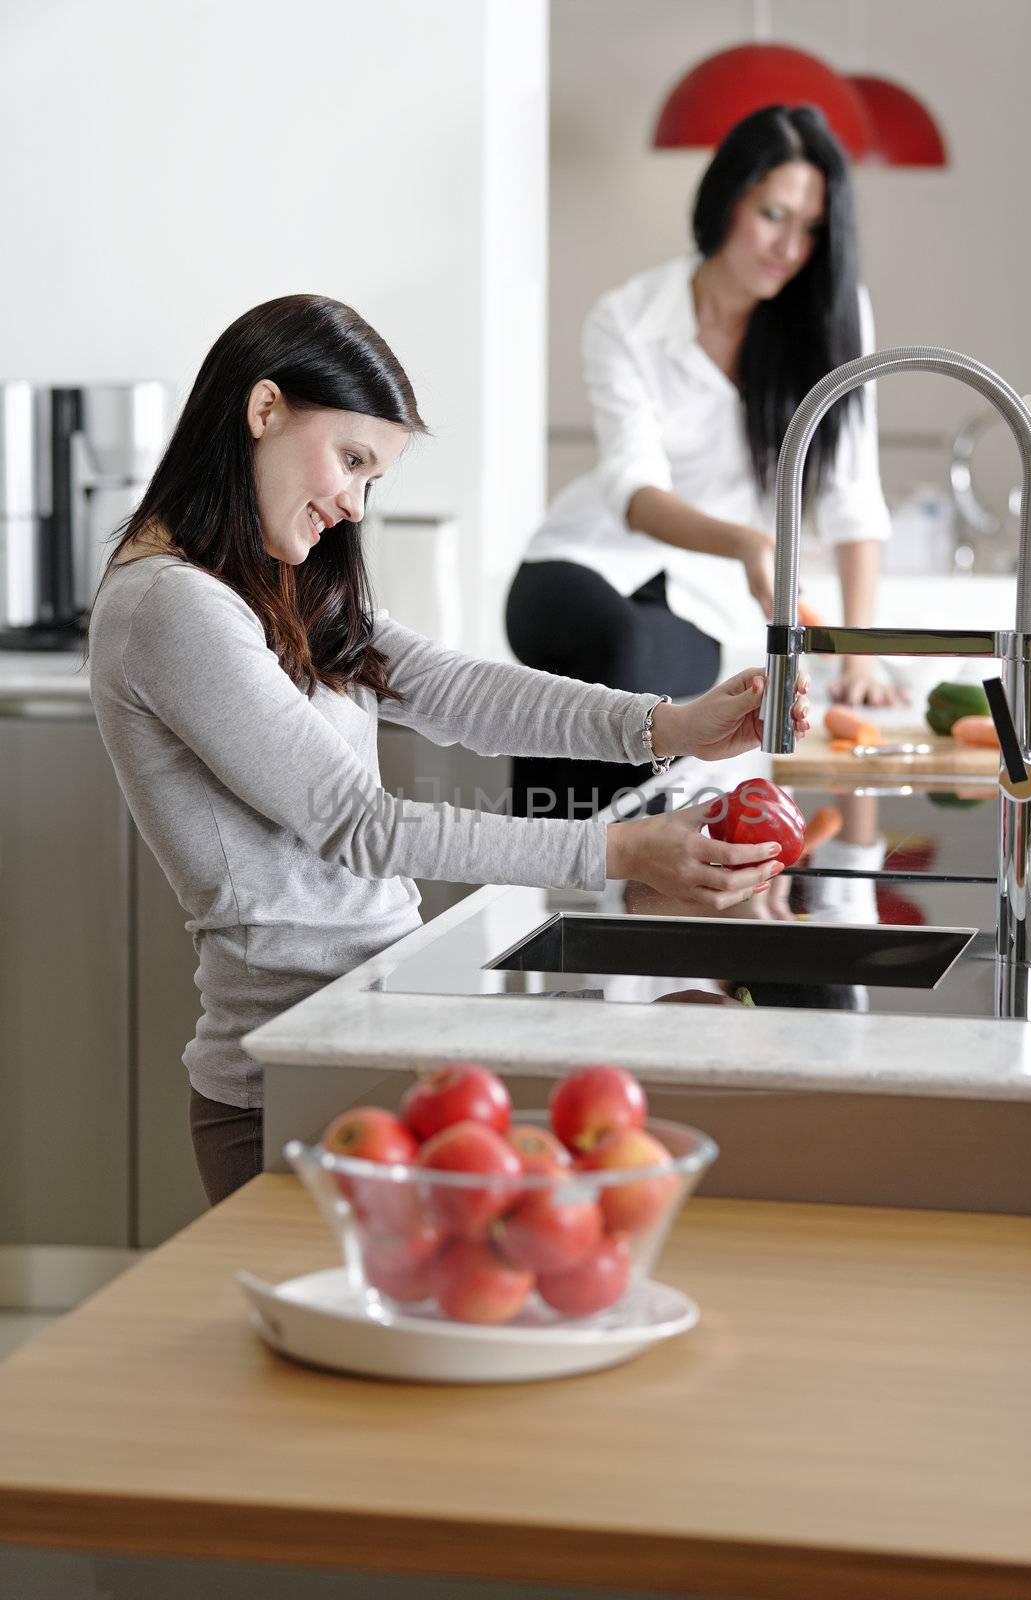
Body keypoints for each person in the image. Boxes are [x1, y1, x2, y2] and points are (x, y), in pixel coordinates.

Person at [86, 294, 811, 1205]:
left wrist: (666, 725)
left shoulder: (277, 582)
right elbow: (357, 824)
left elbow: (453, 688)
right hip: (290, 1081)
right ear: (262, 409)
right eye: (349, 461)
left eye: (370, 479)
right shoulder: (171, 608)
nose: (351, 505)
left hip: (378, 1022)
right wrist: (618, 851)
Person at [506, 103, 897, 822]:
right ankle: (560, 876)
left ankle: (578, 872)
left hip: (707, 605)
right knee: (591, 653)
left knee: (622, 683)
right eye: (772, 215)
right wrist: (747, 544)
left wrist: (860, 656)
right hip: (584, 558)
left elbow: (852, 493)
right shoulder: (627, 317)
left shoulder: (834, 318)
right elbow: (632, 487)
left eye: (810, 228)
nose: (790, 247)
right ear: (726, 200)